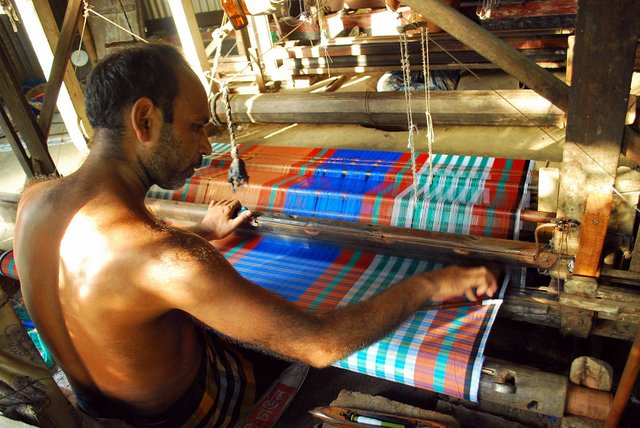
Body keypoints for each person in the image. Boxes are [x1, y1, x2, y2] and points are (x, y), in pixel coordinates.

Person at [14, 43, 497, 427]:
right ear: (144, 120)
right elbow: (319, 345)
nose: (206, 147)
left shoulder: (34, 199)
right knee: (335, 359)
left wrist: (202, 231)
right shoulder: (166, 259)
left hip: (95, 404)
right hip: (189, 411)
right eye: (197, 126)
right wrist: (428, 285)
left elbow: (119, 281)